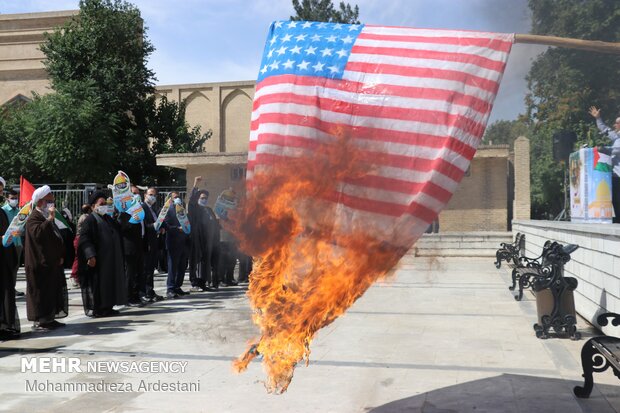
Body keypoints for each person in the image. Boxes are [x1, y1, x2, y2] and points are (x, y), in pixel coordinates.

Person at [24, 185, 68, 331]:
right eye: (48, 201)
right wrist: (49, 219)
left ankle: (50, 318)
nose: (51, 204)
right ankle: (41, 320)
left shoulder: (45, 217)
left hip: (50, 263)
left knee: (51, 292)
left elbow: (54, 238)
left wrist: (59, 255)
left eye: (52, 201)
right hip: (39, 264)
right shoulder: (33, 218)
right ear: (40, 202)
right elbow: (38, 234)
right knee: (40, 294)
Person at [78, 192, 127, 317]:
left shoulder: (108, 218)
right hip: (99, 260)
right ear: (93, 206)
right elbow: (84, 239)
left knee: (111, 283)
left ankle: (108, 306)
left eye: (105, 204)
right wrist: (90, 255)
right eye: (101, 204)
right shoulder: (90, 220)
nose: (104, 206)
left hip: (110, 259)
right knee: (100, 284)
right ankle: (99, 308)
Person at [589, 106, 620, 223]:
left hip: (619, 177)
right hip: (614, 176)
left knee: (617, 202)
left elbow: (615, 150)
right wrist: (598, 118)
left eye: (616, 123)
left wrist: (602, 149)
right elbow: (604, 129)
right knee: (614, 202)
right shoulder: (617, 136)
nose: (614, 125)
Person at [188, 176, 218, 292]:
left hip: (208, 240)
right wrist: (195, 185)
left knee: (205, 262)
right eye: (202, 198)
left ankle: (203, 282)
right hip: (197, 239)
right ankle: (195, 283)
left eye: (206, 198)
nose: (204, 199)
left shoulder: (208, 210)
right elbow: (191, 201)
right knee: (196, 261)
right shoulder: (195, 209)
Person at [119, 186, 147, 306]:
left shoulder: (138, 210)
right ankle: (128, 297)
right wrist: (132, 220)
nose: (137, 195)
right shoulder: (124, 211)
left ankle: (136, 295)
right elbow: (122, 228)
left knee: (138, 272)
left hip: (139, 246)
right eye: (134, 193)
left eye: (138, 193)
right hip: (129, 248)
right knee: (129, 274)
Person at [0, 190, 19, 339]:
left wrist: (10, 236)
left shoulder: (1, 212)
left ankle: (5, 325)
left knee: (6, 292)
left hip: (4, 258)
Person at [163, 192, 190, 299]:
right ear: (170, 199)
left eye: (179, 197)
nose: (178, 199)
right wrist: (177, 228)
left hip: (183, 242)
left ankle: (178, 287)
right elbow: (166, 224)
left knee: (182, 266)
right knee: (173, 266)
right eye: (175, 197)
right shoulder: (168, 210)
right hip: (173, 242)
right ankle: (170, 288)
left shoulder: (182, 209)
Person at [142, 187, 164, 302]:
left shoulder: (153, 208)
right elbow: (144, 225)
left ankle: (150, 291)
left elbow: (157, 223)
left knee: (150, 269)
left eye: (154, 195)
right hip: (147, 242)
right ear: (145, 195)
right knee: (147, 269)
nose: (152, 197)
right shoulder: (143, 208)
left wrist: (160, 228)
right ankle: (147, 292)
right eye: (150, 194)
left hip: (154, 242)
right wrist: (153, 226)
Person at [2, 189, 25, 296]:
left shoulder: (19, 211)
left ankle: (12, 288)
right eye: (12, 198)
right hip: (7, 243)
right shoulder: (3, 210)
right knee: (7, 267)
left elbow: (22, 227)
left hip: (18, 243)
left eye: (16, 198)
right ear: (7, 199)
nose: (14, 200)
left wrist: (21, 231)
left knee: (15, 267)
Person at [70, 204, 92, 289]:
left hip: (80, 239)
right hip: (80, 239)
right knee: (78, 258)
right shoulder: (85, 218)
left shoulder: (84, 216)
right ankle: (74, 276)